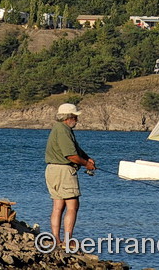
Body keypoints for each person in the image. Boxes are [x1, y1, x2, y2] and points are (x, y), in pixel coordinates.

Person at [44, 103, 95, 246]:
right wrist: (86, 164)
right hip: (63, 171)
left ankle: (56, 239)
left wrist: (87, 158)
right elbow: (71, 155)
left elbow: (76, 150)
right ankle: (67, 240)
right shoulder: (63, 130)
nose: (77, 120)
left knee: (58, 206)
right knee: (73, 205)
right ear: (69, 117)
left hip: (52, 170)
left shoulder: (60, 129)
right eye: (75, 117)